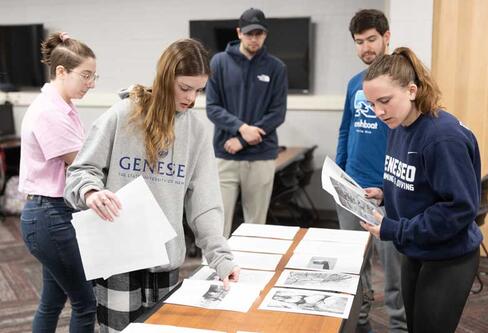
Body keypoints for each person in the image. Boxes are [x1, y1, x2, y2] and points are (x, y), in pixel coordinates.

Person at [64, 38, 240, 331]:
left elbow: (205, 204)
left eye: (198, 90)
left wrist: (221, 259)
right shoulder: (122, 115)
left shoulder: (195, 131)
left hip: (164, 265)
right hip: (118, 261)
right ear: (165, 78)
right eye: (185, 88)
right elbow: (80, 171)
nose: (191, 98)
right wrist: (91, 191)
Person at [361, 47, 482, 333]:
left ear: (412, 90)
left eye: (384, 101)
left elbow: (458, 208)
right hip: (416, 247)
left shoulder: (442, 138)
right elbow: (414, 180)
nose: (378, 112)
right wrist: (384, 191)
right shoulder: (399, 124)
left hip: (448, 255)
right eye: (371, 104)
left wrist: (394, 230)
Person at [18, 32, 97, 332]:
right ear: (61, 72)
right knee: (85, 303)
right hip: (50, 217)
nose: (90, 83)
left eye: (93, 76)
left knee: (53, 302)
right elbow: (80, 163)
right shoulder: (49, 112)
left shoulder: (62, 106)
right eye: (85, 75)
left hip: (51, 215)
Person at [334, 9, 406, 333]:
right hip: (350, 190)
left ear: (387, 37)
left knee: (394, 278)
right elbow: (346, 130)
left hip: (389, 196)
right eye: (359, 42)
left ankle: (397, 327)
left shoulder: (403, 85)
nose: (366, 47)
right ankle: (360, 327)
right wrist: (338, 174)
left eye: (372, 39)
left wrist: (394, 190)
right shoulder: (354, 84)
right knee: (354, 272)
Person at [205, 7, 288, 237]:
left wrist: (243, 139)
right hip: (225, 154)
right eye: (249, 33)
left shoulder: (276, 68)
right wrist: (241, 129)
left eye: (259, 34)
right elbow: (212, 107)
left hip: (261, 156)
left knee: (255, 227)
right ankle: (212, 270)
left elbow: (277, 113)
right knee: (216, 221)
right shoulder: (218, 63)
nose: (254, 38)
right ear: (239, 32)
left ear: (265, 34)